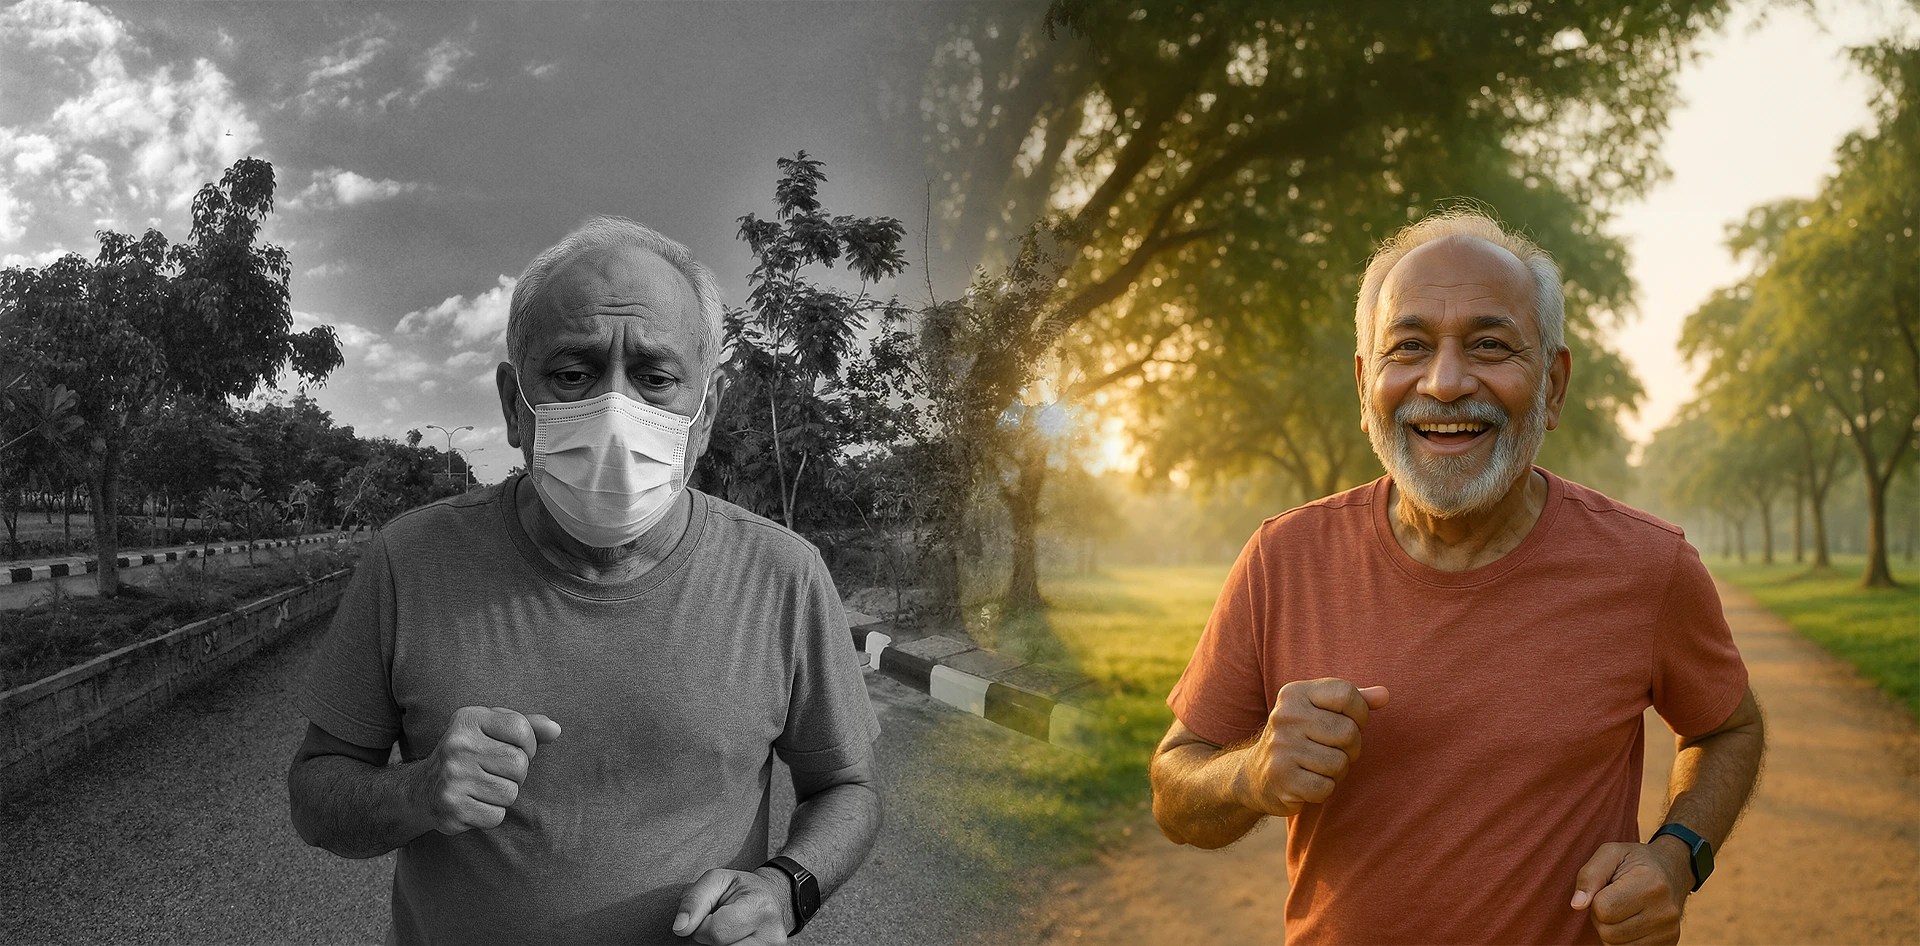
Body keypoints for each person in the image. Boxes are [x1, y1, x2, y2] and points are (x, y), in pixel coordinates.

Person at [1148, 210, 1765, 945]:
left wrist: (1676, 856)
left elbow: (1729, 727)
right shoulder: (1282, 559)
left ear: (1554, 385)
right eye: (1407, 346)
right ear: (1364, 383)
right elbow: (1174, 788)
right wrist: (1250, 775)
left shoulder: (1649, 565)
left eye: (1490, 344)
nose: (1443, 383)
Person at [287, 217, 881, 946]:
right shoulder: (411, 561)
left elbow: (847, 788)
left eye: (657, 379)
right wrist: (417, 792)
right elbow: (316, 795)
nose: (615, 413)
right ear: (514, 404)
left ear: (706, 413)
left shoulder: (782, 577)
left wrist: (787, 889)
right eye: (574, 374)